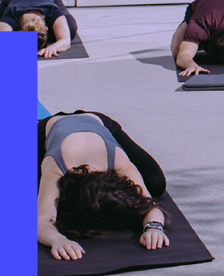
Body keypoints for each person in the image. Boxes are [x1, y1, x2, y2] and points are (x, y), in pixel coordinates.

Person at [38, 111, 169, 261]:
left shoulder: (118, 161)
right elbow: (42, 219)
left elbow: (148, 203)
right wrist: (56, 239)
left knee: (155, 183)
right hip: (49, 128)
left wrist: (154, 227)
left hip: (97, 121)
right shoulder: (56, 166)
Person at [0, 0, 77, 58]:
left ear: (46, 28)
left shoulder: (51, 10)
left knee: (71, 28)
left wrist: (53, 48)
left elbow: (66, 41)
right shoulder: (11, 14)